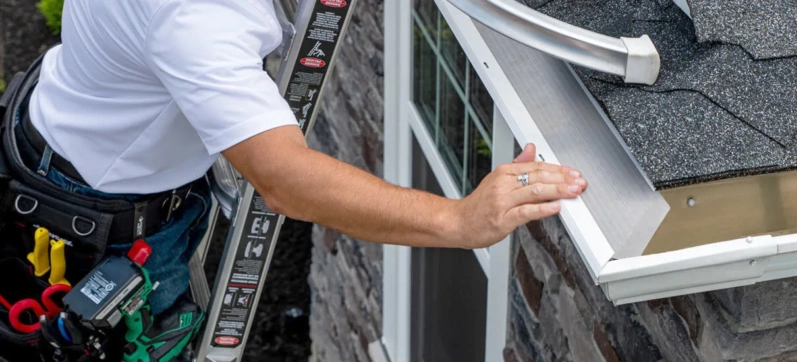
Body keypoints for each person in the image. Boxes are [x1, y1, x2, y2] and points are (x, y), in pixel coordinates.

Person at [0, 0, 586, 356]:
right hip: (99, 211)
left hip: (82, 136)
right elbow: (285, 180)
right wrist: (458, 220)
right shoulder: (194, 19)